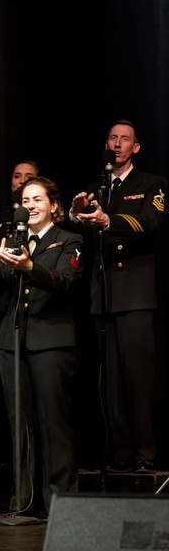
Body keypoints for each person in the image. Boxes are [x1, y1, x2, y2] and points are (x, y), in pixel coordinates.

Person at [70, 120, 166, 473]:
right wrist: (76, 212)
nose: (117, 143)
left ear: (135, 148)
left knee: (137, 379)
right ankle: (120, 453)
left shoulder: (150, 183)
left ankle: (144, 453)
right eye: (112, 137)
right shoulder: (97, 187)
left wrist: (108, 221)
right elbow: (75, 225)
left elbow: (150, 222)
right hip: (104, 294)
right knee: (109, 381)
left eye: (125, 139)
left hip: (135, 295)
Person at [0, 177, 82, 517]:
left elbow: (65, 282)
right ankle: (24, 501)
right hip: (12, 342)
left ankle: (61, 505)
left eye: (37, 199)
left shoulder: (69, 240)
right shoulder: (13, 240)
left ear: (54, 205)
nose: (30, 205)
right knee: (20, 425)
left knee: (54, 424)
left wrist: (30, 267)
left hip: (51, 341)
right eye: (25, 200)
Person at [0, 160, 40, 236]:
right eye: (17, 176)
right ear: (11, 186)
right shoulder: (0, 222)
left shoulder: (41, 217)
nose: (22, 181)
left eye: (29, 177)